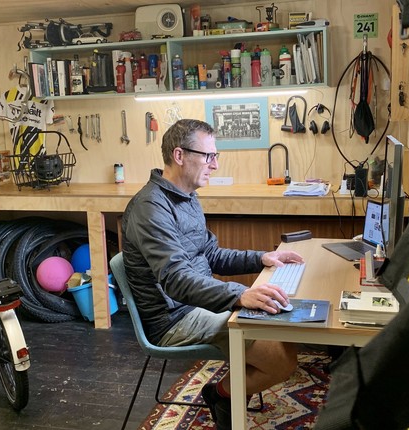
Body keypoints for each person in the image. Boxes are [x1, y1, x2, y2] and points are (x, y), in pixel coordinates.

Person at [121, 119, 302, 429]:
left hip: (196, 305)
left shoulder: (187, 196)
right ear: (179, 156)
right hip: (174, 318)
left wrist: (262, 258)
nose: (215, 165)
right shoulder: (150, 209)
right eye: (208, 156)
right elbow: (176, 279)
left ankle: (228, 394)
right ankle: (221, 394)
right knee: (280, 358)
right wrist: (238, 295)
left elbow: (212, 254)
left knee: (285, 332)